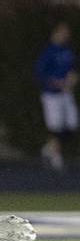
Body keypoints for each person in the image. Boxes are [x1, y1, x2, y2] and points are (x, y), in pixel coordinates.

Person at [36, 21, 78, 172]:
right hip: (51, 96)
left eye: (67, 33)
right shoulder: (48, 52)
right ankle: (56, 157)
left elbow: (73, 69)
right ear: (55, 33)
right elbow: (41, 74)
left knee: (72, 125)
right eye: (62, 32)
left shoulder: (68, 51)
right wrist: (55, 83)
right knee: (56, 127)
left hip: (66, 94)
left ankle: (49, 148)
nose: (65, 36)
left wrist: (72, 79)